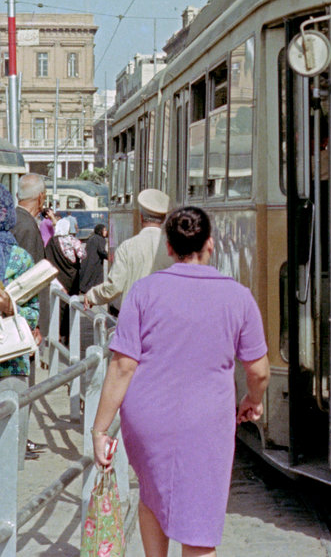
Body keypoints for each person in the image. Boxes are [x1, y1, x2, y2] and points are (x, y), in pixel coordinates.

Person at [91, 206, 270, 557]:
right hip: (207, 422)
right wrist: (253, 399)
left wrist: (100, 430)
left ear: (169, 248)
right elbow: (259, 371)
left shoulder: (143, 292)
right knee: (199, 523)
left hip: (147, 419)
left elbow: (123, 366)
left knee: (152, 495)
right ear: (210, 244)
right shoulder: (238, 297)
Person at [0, 186, 40, 466]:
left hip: (10, 365)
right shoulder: (20, 258)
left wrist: (8, 307)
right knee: (9, 458)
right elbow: (32, 316)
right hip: (12, 364)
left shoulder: (19, 258)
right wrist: (12, 309)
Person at [85, 189, 172, 311]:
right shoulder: (174, 248)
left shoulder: (127, 247)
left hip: (135, 315)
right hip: (164, 315)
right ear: (164, 219)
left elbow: (114, 287)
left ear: (141, 217)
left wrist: (92, 296)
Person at [12, 174, 46, 350]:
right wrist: (34, 324)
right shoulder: (28, 228)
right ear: (41, 197)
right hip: (20, 321)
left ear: (18, 196)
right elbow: (30, 279)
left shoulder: (12, 220)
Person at [79, 224, 110, 296]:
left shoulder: (92, 238)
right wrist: (110, 257)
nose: (106, 232)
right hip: (95, 263)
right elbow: (102, 251)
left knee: (87, 277)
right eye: (104, 230)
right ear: (100, 231)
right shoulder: (100, 239)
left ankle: (84, 290)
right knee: (95, 279)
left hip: (88, 261)